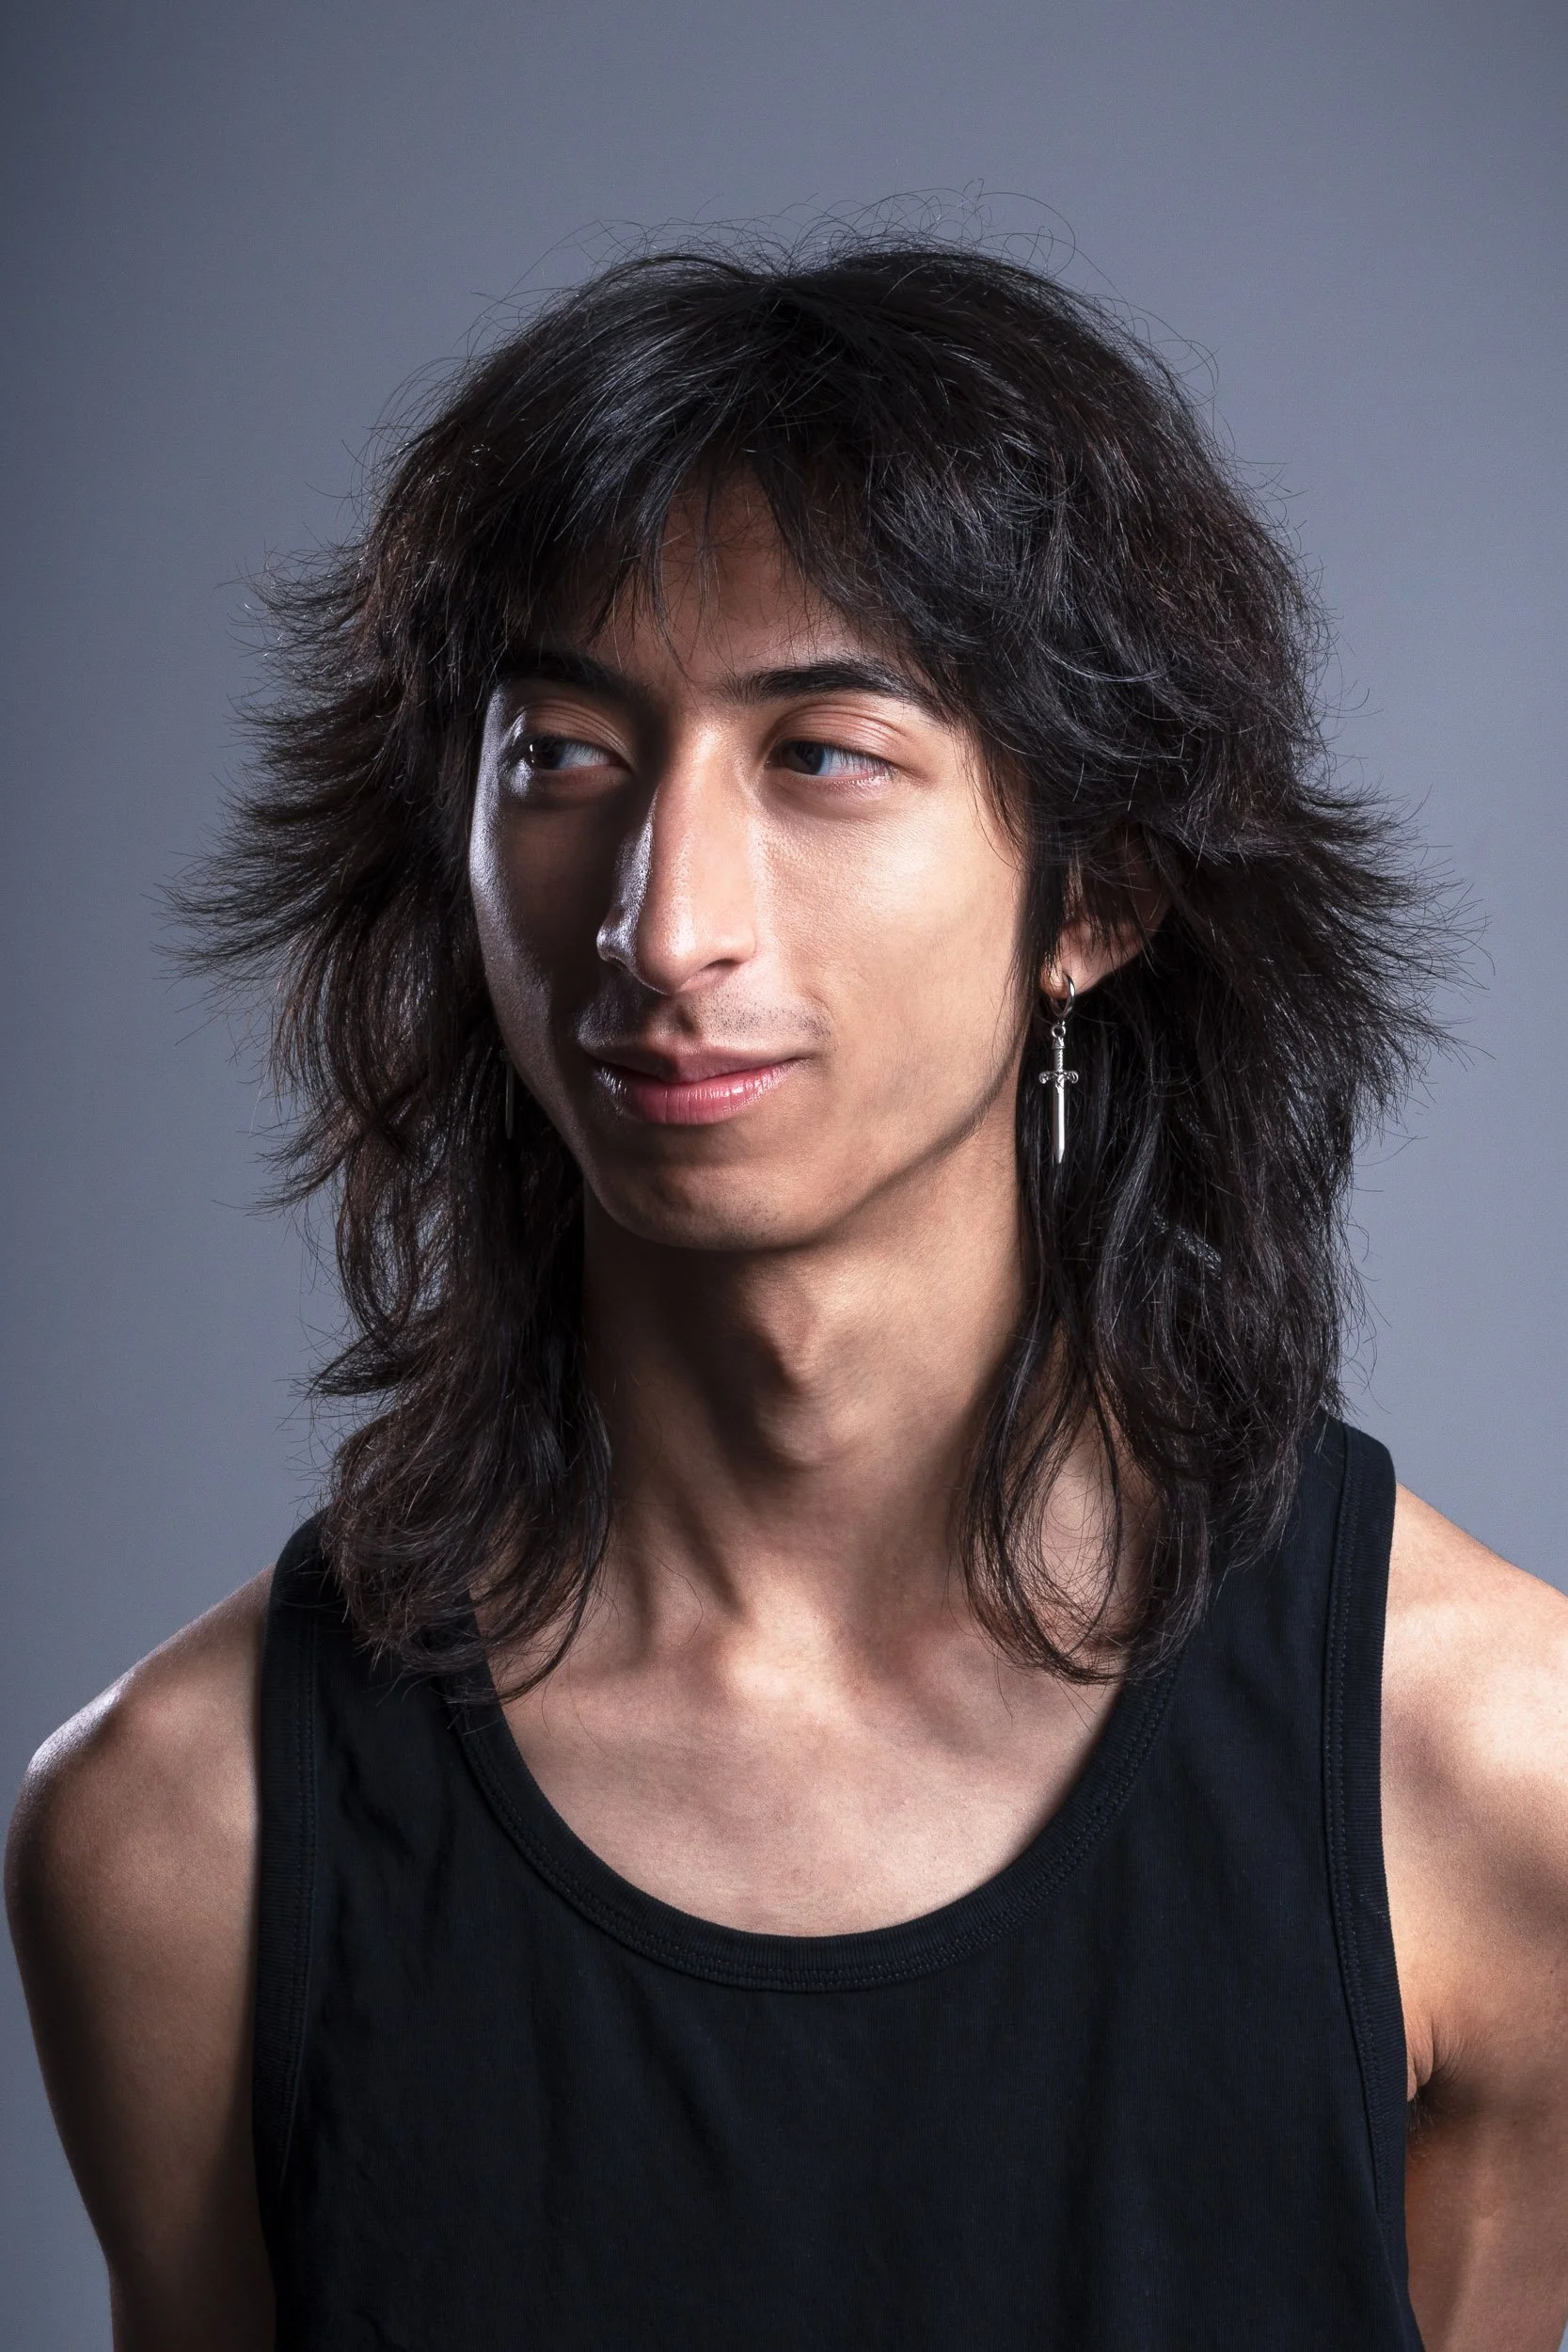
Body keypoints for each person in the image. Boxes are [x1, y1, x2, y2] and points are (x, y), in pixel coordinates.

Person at [8, 236, 1568, 2352]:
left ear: (1093, 890)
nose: (664, 923)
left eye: (822, 751)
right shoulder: (184, 1828)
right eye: (558, 754)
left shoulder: (1483, 1775)